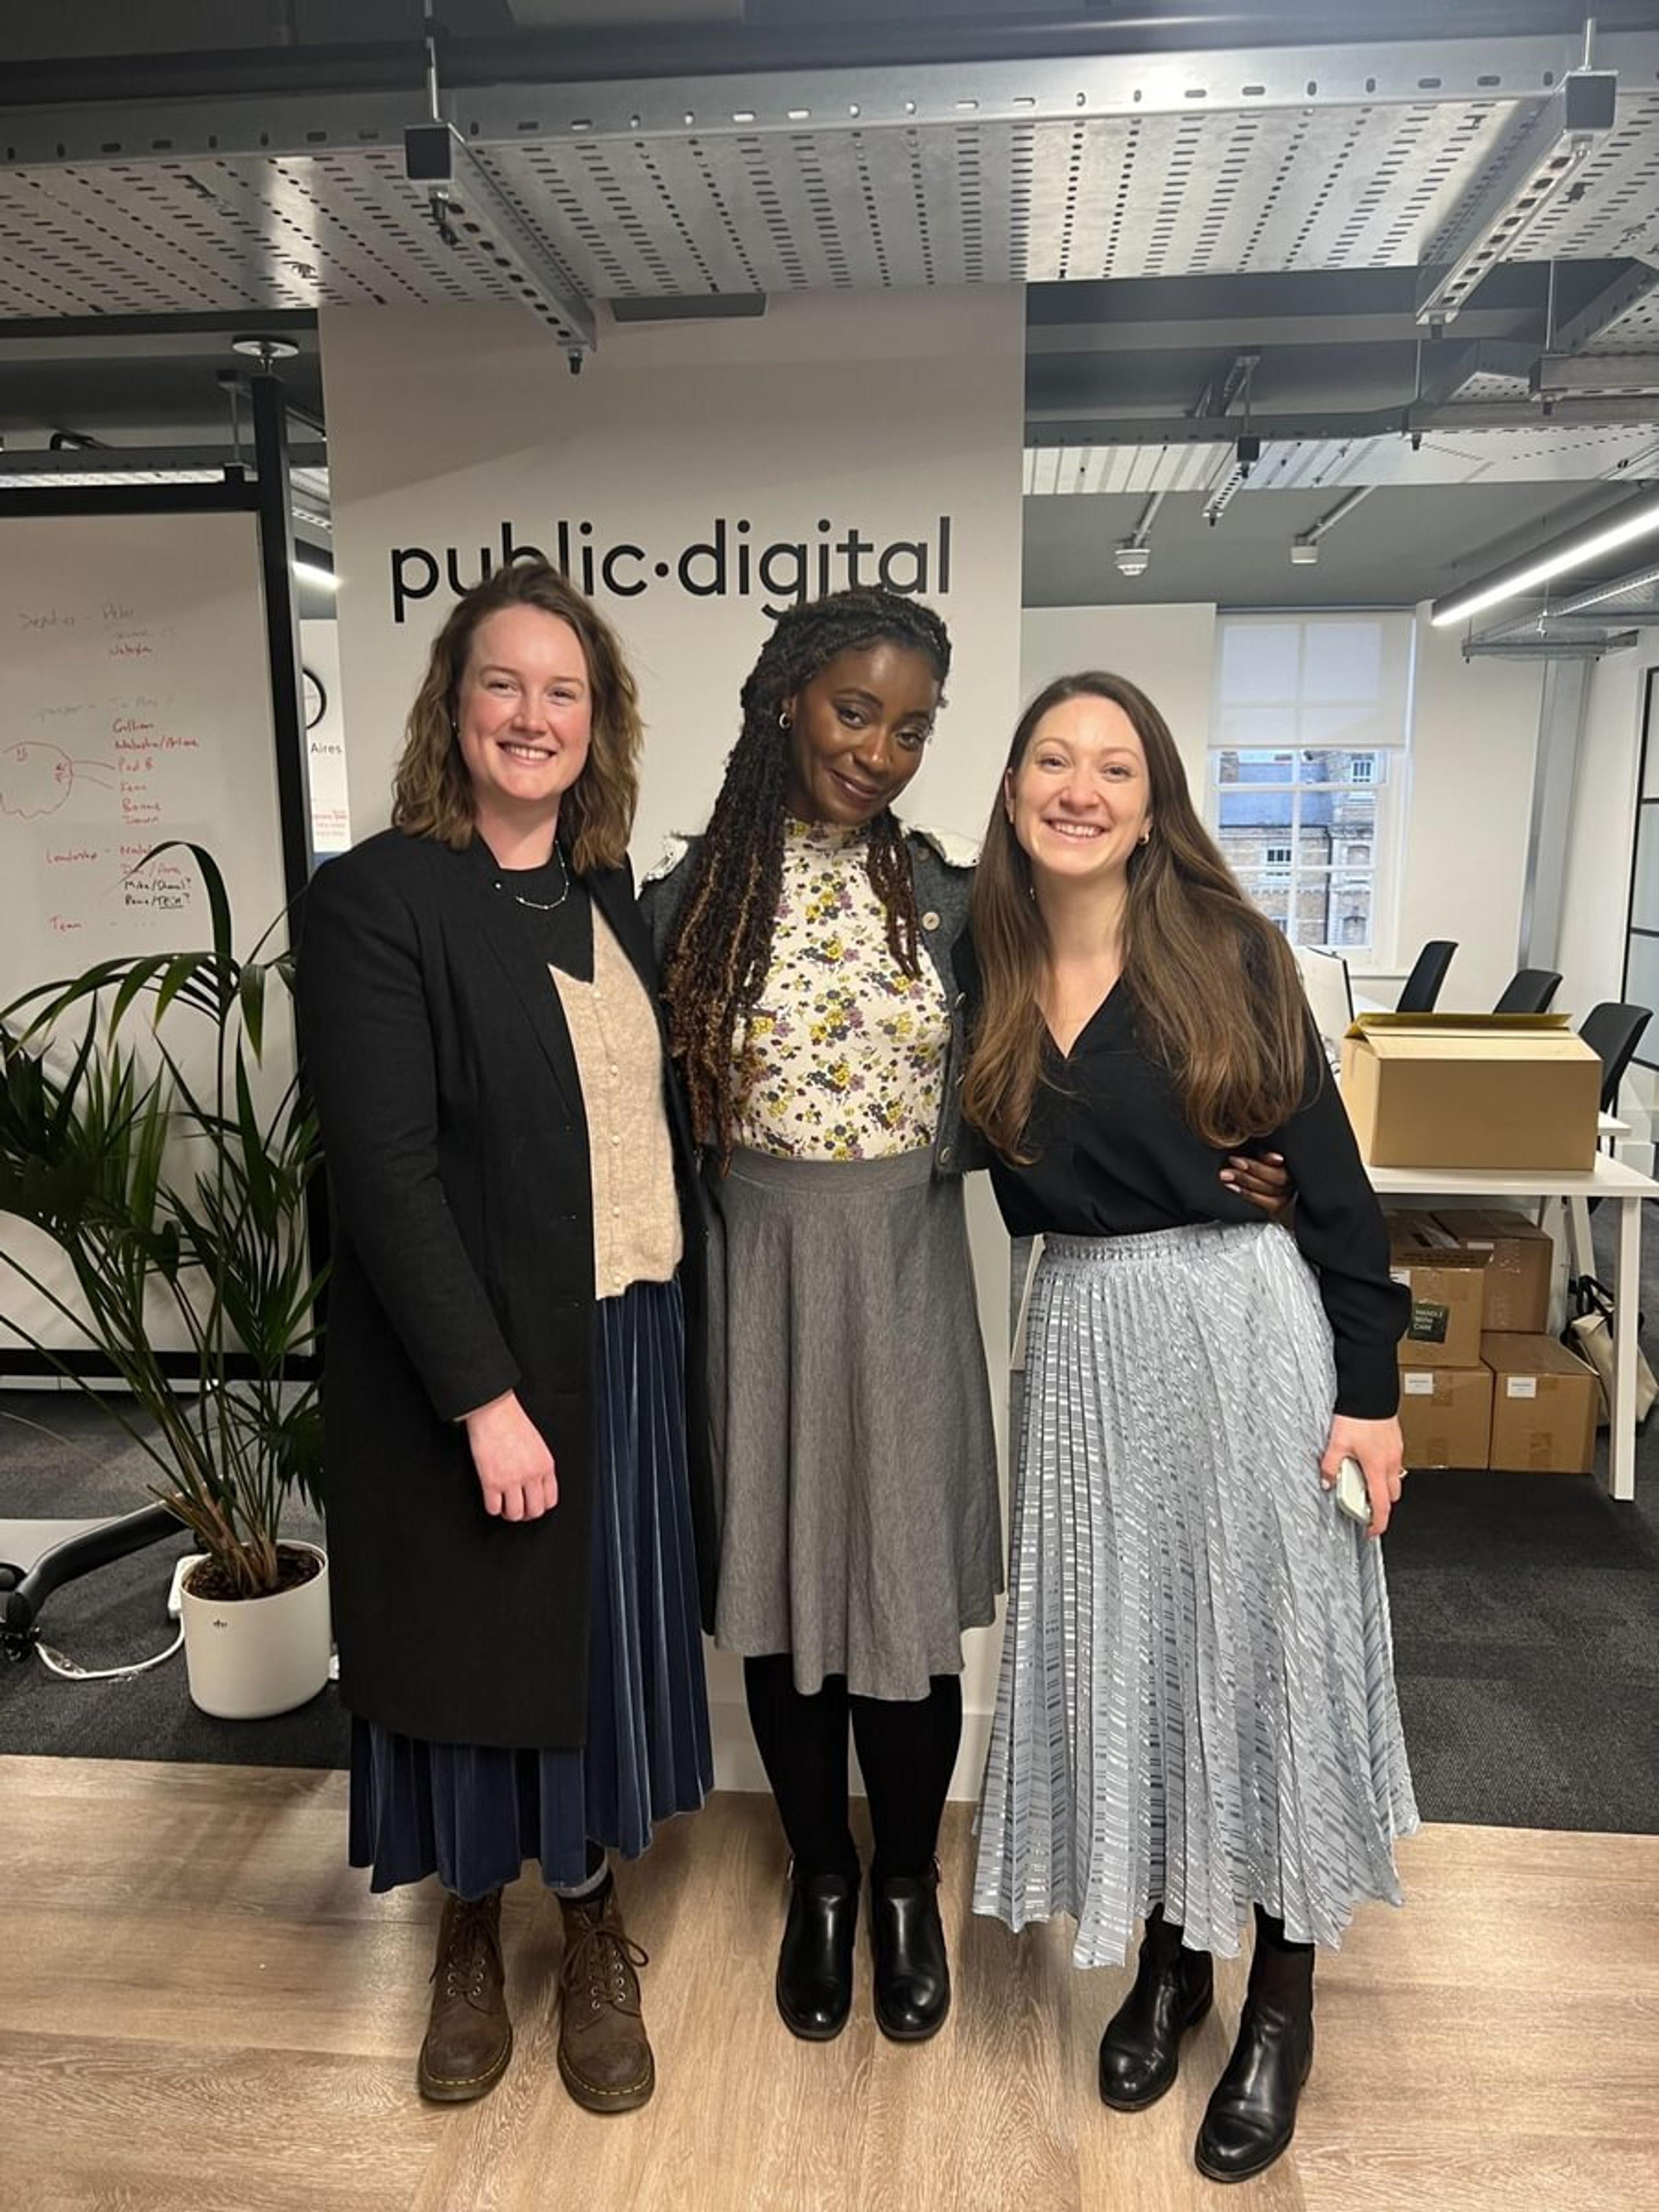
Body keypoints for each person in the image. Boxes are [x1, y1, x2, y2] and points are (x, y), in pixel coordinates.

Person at [640, 592, 1287, 2050]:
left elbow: (1075, 1055)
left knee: (911, 1607)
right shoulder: (684, 908)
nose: (879, 749)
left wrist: (1230, 1162)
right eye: (856, 711)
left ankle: (903, 1888)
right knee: (782, 1600)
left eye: (914, 727)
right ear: (788, 702)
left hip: (911, 1273)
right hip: (756, 1276)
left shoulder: (953, 905)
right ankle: (818, 1878)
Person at [961, 671, 1417, 2185]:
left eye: (1113, 766)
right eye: (1052, 759)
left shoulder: (1228, 951)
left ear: (1154, 804)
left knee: (1266, 1667)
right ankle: (1172, 1959)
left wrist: (1371, 1396)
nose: (1078, 788)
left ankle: (1281, 2002)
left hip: (1244, 1337)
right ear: (1015, 787)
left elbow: (1335, 1188)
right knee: (1141, 1666)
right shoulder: (983, 958)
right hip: (1087, 1352)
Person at [296, 562, 715, 2116]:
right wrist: (484, 1399)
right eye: (503, 683)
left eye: (565, 690)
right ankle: (471, 1930)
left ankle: (594, 1921)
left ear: (596, 721)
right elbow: (386, 1175)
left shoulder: (611, 899)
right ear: (451, 706)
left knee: (597, 1649)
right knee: (483, 1651)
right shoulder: (379, 898)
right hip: (479, 1363)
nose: (533, 715)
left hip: (624, 1336)